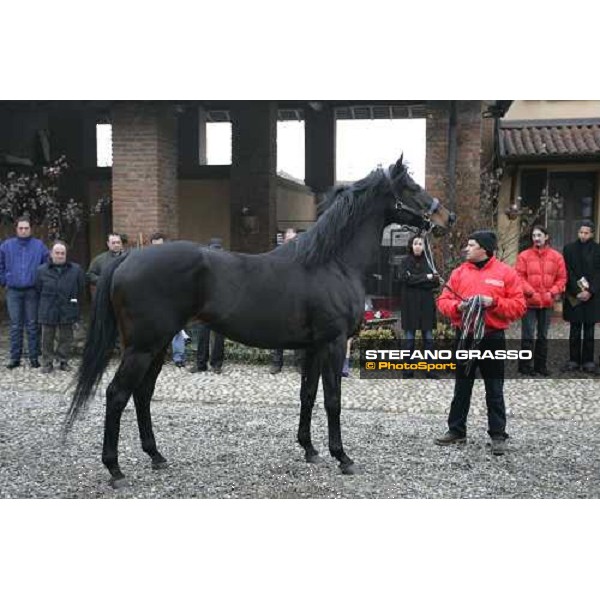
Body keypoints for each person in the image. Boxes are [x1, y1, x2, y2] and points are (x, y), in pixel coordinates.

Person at [435, 230, 526, 456]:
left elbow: (519, 306)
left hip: (492, 338)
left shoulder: (506, 273)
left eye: (471, 244)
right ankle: (456, 430)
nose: (466, 248)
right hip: (465, 337)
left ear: (484, 249)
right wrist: (458, 307)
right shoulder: (458, 273)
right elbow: (443, 302)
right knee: (462, 386)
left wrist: (493, 302)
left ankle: (497, 435)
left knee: (494, 388)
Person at [515, 225, 567, 377]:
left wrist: (552, 292)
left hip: (547, 303)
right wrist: (531, 292)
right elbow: (519, 277)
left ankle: (540, 366)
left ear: (546, 237)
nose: (536, 238)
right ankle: (525, 366)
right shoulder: (524, 256)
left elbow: (562, 278)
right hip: (529, 302)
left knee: (543, 336)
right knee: (528, 335)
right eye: (534, 236)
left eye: (539, 235)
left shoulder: (557, 257)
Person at [0, 216, 49, 368]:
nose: (23, 230)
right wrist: (4, 280)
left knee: (33, 325)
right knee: (15, 326)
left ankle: (34, 357)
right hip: (13, 291)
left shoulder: (39, 246)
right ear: (16, 229)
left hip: (32, 291)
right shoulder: (6, 246)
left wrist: (40, 283)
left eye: (26, 228)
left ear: (30, 229)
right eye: (20, 228)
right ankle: (15, 358)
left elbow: (46, 265)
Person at [35, 240, 84, 373]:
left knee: (66, 338)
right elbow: (37, 289)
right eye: (57, 253)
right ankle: (47, 362)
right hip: (48, 308)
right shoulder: (41, 271)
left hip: (67, 308)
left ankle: (63, 361)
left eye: (63, 253)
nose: (60, 255)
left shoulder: (76, 270)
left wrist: (74, 304)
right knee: (47, 339)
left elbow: (80, 290)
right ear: (51, 254)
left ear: (66, 254)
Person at [398, 234, 440, 379]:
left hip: (426, 305)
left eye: (420, 244)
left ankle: (430, 369)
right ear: (411, 245)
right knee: (409, 340)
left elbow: (435, 282)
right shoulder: (404, 262)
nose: (417, 246)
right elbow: (404, 278)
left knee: (428, 339)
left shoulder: (429, 261)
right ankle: (408, 370)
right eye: (415, 243)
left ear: (424, 246)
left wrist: (417, 279)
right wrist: (425, 278)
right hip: (410, 306)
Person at [562, 220, 600, 373]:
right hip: (574, 294)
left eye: (586, 233)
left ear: (592, 234)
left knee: (590, 330)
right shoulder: (569, 249)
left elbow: (599, 273)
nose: (583, 235)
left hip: (593, 295)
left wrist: (590, 291)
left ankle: (588, 361)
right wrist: (578, 290)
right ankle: (574, 360)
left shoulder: (598, 250)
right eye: (581, 232)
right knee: (575, 329)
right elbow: (567, 271)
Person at [149, 232, 189, 367]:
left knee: (176, 330)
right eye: (154, 246)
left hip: (173, 300)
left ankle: (179, 357)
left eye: (160, 246)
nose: (157, 249)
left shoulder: (174, 261)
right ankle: (157, 356)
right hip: (155, 300)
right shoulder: (148, 262)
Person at [269, 228, 304, 375]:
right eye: (288, 239)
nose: (291, 242)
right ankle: (276, 363)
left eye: (293, 239)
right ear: (284, 240)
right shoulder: (277, 254)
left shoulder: (301, 255)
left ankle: (300, 363)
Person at [189, 237, 225, 374]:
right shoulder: (202, 268)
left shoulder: (225, 267)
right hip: (205, 306)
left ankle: (217, 364)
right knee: (202, 335)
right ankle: (201, 363)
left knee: (219, 336)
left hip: (220, 306)